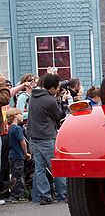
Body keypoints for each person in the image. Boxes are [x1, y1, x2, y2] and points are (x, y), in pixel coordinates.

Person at [27, 73, 68, 205]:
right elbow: (58, 115)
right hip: (47, 136)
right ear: (52, 88)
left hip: (34, 136)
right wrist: (59, 100)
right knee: (56, 167)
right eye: (57, 87)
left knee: (39, 168)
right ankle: (63, 194)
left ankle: (45, 195)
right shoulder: (49, 100)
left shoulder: (33, 96)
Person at [7, 108, 30, 203]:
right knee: (19, 175)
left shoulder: (11, 129)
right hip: (18, 155)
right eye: (21, 114)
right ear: (15, 115)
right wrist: (26, 153)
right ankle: (18, 195)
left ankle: (14, 194)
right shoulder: (18, 128)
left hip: (12, 154)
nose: (22, 116)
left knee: (14, 174)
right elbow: (23, 142)